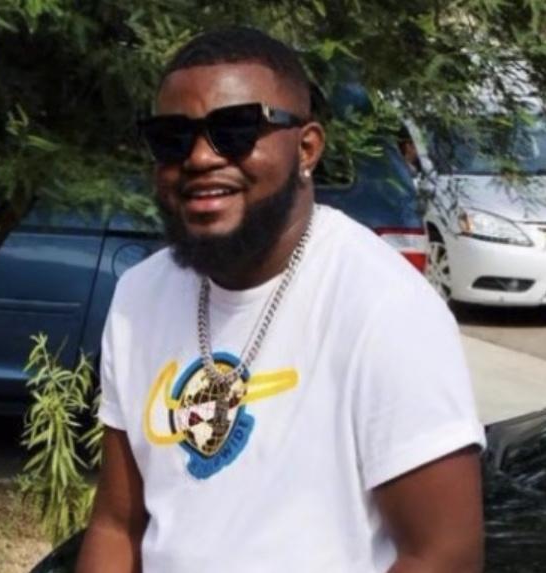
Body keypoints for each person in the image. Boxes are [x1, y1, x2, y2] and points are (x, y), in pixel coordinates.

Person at [76, 27, 486, 573]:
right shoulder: (140, 296)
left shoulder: (384, 306)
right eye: (172, 138)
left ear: (307, 148)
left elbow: (444, 554)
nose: (200, 157)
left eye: (235, 130)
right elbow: (117, 525)